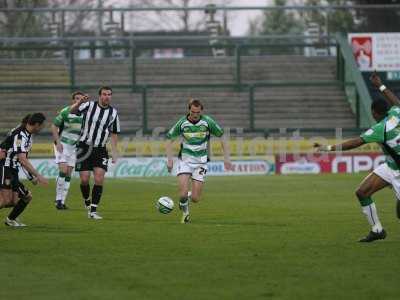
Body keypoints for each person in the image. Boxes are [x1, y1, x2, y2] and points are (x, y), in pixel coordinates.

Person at [314, 72, 400, 242]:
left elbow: (354, 143)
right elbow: (396, 101)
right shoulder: (396, 113)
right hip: (390, 167)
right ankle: (377, 230)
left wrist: (328, 147)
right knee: (362, 192)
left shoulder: (379, 129)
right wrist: (380, 85)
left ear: (375, 113)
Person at [166, 98, 233, 224]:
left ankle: (186, 198)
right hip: (184, 161)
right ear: (189, 110)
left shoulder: (207, 122)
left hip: (201, 163)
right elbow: (169, 140)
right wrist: (169, 160)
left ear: (201, 111)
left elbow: (222, 136)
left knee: (196, 198)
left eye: (197, 112)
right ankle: (185, 214)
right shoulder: (182, 123)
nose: (195, 115)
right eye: (192, 112)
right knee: (182, 194)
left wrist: (226, 158)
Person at [71, 86, 120, 220]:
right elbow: (72, 111)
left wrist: (115, 152)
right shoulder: (88, 105)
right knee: (85, 179)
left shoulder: (113, 113)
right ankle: (86, 199)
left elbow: (114, 133)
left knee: (99, 179)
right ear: (99, 96)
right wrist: (80, 102)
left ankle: (93, 210)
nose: (107, 97)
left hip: (100, 149)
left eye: (109, 94)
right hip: (84, 147)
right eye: (104, 94)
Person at [0, 113, 48, 227]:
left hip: (13, 169)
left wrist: (31, 177)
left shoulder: (28, 135)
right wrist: (38, 176)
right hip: (5, 167)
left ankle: (10, 220)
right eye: (42, 126)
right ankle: (10, 219)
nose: (42, 128)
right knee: (5, 200)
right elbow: (23, 159)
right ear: (36, 124)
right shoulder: (20, 135)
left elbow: (22, 158)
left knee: (22, 198)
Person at [51, 91, 86, 210]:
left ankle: (62, 201)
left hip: (73, 147)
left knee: (69, 174)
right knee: (63, 170)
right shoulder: (65, 112)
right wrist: (58, 142)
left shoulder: (84, 115)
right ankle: (58, 199)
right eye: (76, 98)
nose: (79, 101)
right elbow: (54, 126)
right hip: (62, 145)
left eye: (81, 99)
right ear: (73, 100)